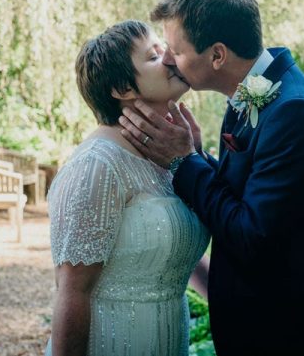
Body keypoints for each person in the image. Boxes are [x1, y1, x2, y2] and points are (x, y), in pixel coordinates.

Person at [119, 0, 304, 355]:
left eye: (176, 50)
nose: (166, 58)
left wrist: (184, 163)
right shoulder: (256, 95)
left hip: (293, 339)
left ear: (217, 55)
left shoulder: (297, 112)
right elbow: (250, 195)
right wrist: (198, 157)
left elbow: (253, 236)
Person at [45, 20, 209, 356]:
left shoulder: (167, 154)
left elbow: (177, 253)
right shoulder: (96, 166)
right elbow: (71, 291)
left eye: (163, 49)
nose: (169, 58)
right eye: (153, 56)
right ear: (122, 88)